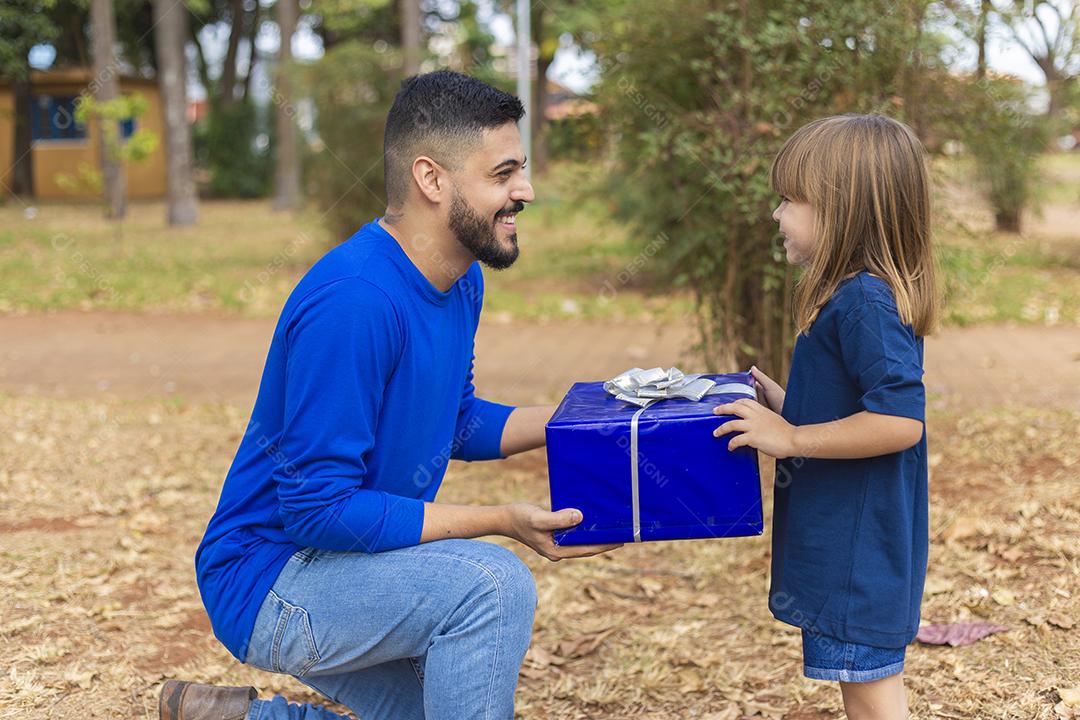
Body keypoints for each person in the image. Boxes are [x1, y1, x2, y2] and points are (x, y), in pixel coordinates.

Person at [160, 70, 618, 720]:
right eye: (504, 173)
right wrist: (500, 522)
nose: (526, 191)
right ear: (432, 180)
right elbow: (316, 509)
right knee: (490, 584)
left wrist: (586, 420)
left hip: (354, 563)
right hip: (272, 578)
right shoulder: (355, 301)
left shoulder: (459, 279)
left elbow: (452, 421)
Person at [711, 114, 938, 720]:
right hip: (853, 549)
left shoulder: (865, 299)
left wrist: (790, 436)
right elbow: (855, 411)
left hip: (859, 555)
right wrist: (786, 408)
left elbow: (899, 422)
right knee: (866, 690)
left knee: (871, 697)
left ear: (841, 209)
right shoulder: (853, 297)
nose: (776, 214)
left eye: (790, 199)